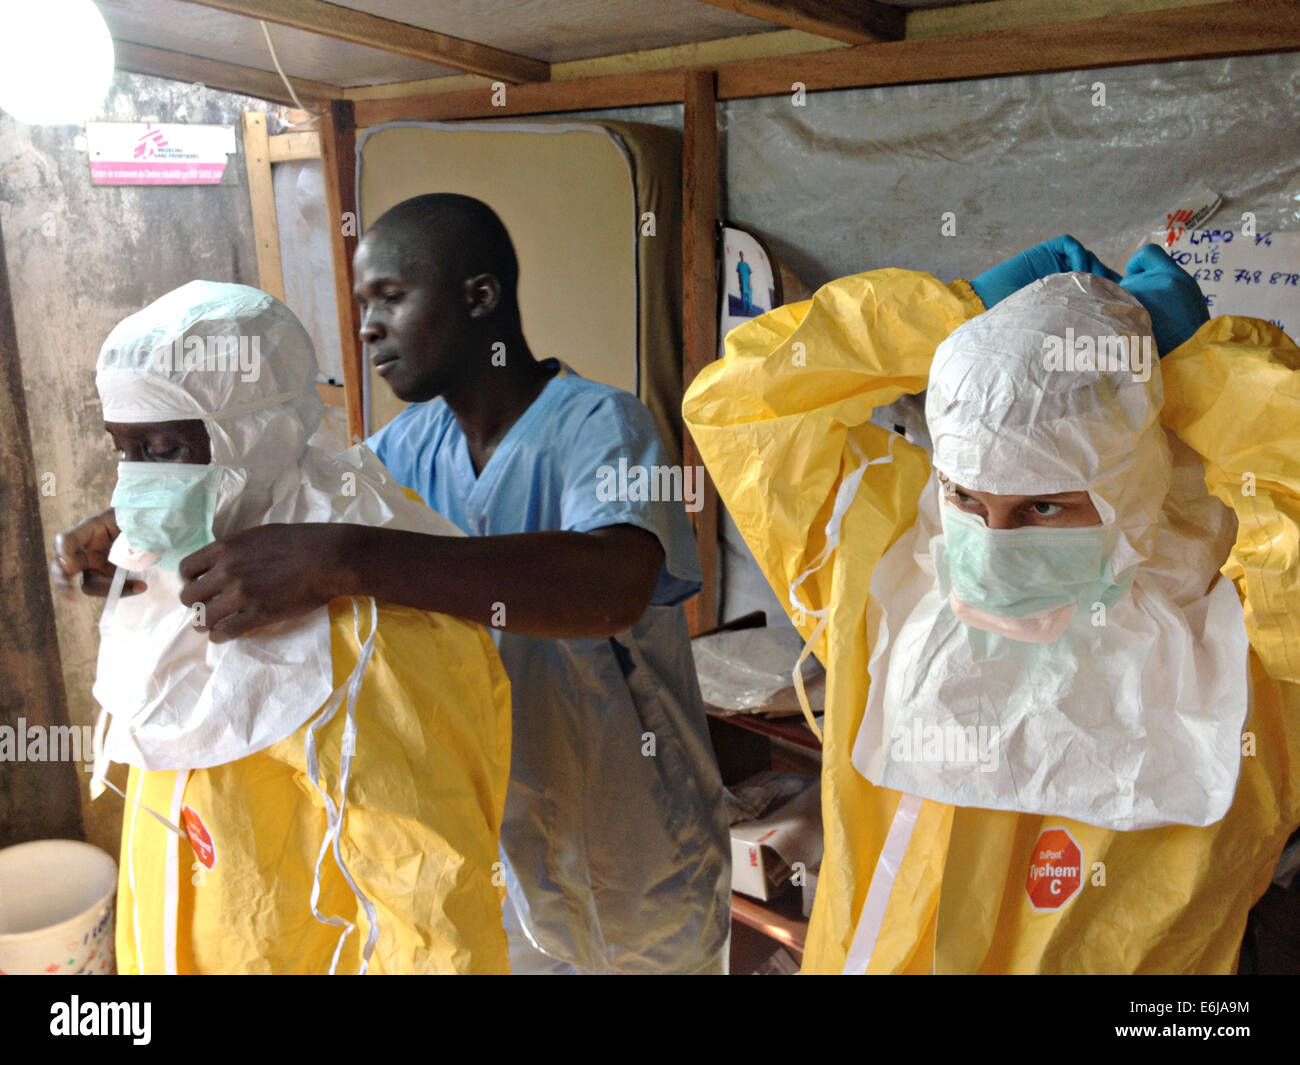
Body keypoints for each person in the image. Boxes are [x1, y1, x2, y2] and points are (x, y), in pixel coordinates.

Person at [55, 196, 731, 975]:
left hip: (631, 833)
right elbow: (285, 491)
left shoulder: (602, 427)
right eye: (360, 304)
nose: (368, 326)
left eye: (391, 297)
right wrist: (145, 510)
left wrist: (344, 556)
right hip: (500, 840)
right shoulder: (401, 451)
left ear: (480, 297)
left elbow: (611, 583)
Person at [683, 237, 1300, 973]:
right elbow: (745, 403)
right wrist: (954, 314)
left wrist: (1201, 369)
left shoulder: (1239, 654)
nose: (993, 544)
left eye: (1044, 504)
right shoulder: (889, 586)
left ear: (1131, 487)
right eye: (966, 497)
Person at [78, 281, 512, 974]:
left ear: (251, 438)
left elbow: (431, 908)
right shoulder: (170, 569)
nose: (133, 484)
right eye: (122, 449)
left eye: (160, 448)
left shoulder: (366, 635)